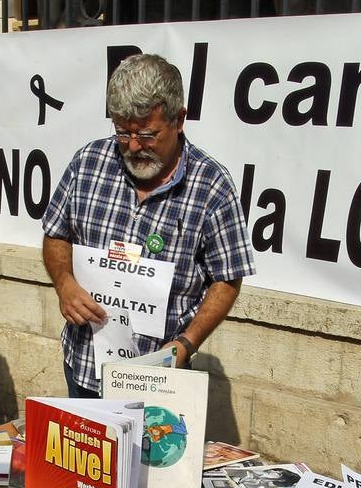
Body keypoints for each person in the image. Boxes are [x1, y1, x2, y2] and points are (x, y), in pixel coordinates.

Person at [42, 53, 255, 398]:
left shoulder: (212, 186)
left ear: (179, 119)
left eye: (147, 133)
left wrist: (186, 344)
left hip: (160, 380)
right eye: (123, 133)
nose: (134, 146)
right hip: (84, 366)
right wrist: (64, 283)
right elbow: (56, 234)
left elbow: (227, 278)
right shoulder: (87, 163)